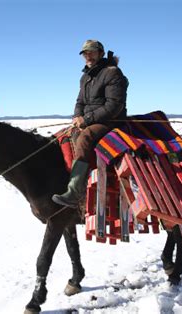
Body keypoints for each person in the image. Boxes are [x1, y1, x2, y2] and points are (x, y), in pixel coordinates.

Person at [52, 39, 129, 207]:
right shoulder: (85, 77)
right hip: (90, 120)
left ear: (101, 53)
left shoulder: (112, 73)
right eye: (85, 53)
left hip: (111, 120)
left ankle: (74, 192)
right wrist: (77, 118)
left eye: (92, 52)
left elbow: (114, 106)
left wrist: (86, 120)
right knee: (63, 136)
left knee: (86, 137)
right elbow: (79, 102)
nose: (88, 56)